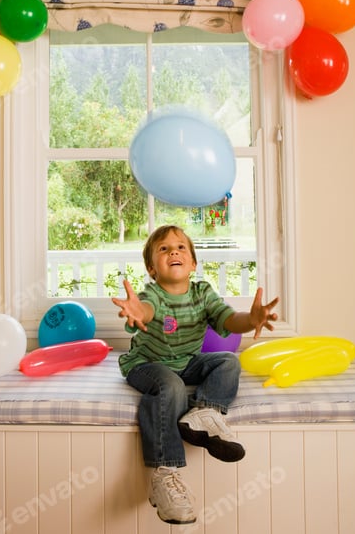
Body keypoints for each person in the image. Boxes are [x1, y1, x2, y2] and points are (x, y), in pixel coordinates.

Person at [112, 224, 279, 526]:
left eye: (180, 248)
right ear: (152, 268)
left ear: (192, 263)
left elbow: (229, 319)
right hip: (146, 364)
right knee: (171, 385)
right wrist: (138, 313)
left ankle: (205, 413)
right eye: (163, 249)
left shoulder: (202, 292)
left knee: (228, 361)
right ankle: (165, 476)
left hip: (187, 360)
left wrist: (251, 318)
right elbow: (146, 310)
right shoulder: (151, 294)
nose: (173, 251)